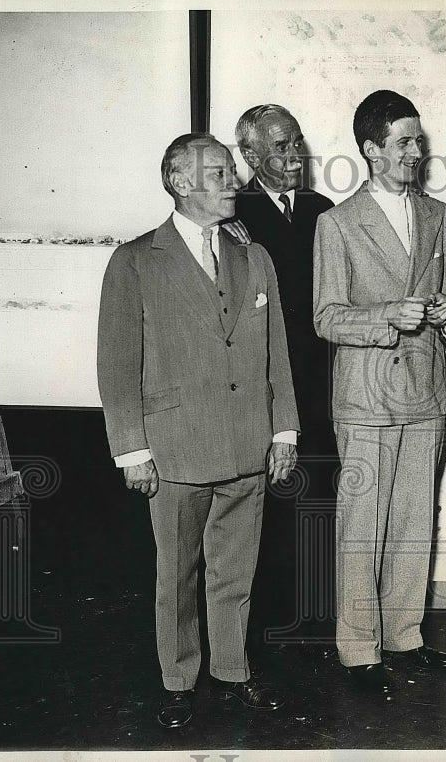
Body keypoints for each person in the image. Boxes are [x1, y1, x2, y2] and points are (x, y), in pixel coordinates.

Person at [97, 133, 299, 729]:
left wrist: (283, 433)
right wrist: (131, 450)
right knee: (177, 575)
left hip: (247, 446)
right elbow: (116, 364)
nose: (232, 179)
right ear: (180, 183)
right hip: (174, 451)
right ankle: (178, 681)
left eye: (230, 169)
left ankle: (231, 673)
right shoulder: (134, 260)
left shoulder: (254, 256)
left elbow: (277, 354)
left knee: (236, 574)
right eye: (217, 172)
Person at [312, 89, 446, 698]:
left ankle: (405, 637)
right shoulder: (337, 223)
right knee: (362, 526)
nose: (416, 152)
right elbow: (326, 317)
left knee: (413, 522)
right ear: (371, 150)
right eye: (403, 142)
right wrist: (385, 317)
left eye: (418, 140)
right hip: (366, 398)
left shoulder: (438, 216)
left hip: (424, 395)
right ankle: (357, 649)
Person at [231, 104, 339, 656]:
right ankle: (266, 629)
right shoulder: (233, 214)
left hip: (322, 384)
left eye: (297, 141)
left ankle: (315, 619)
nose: (294, 155)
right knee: (270, 503)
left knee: (320, 498)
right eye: (279, 148)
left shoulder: (324, 210)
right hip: (266, 385)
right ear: (250, 157)